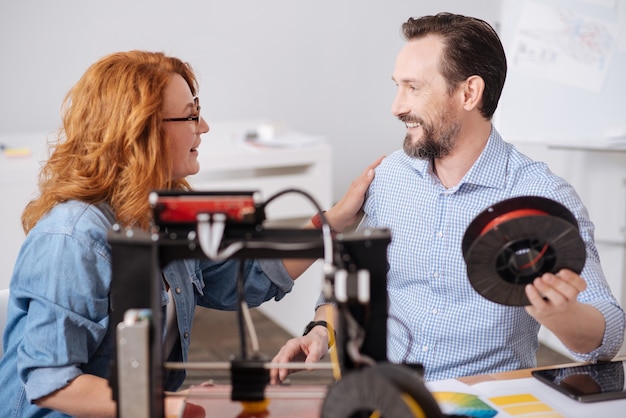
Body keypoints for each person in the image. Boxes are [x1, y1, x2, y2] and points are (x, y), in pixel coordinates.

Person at [0, 50, 379, 418]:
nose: (204, 127)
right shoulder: (71, 238)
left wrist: (335, 220)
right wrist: (171, 407)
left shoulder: (155, 217)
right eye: (191, 116)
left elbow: (242, 277)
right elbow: (50, 381)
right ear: (142, 131)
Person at [271, 12, 626, 384]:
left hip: (485, 403)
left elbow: (609, 334)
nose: (397, 106)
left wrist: (560, 315)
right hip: (390, 398)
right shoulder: (389, 178)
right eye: (397, 86)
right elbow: (351, 284)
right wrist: (319, 331)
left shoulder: (541, 196)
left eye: (414, 88)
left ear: (469, 93)